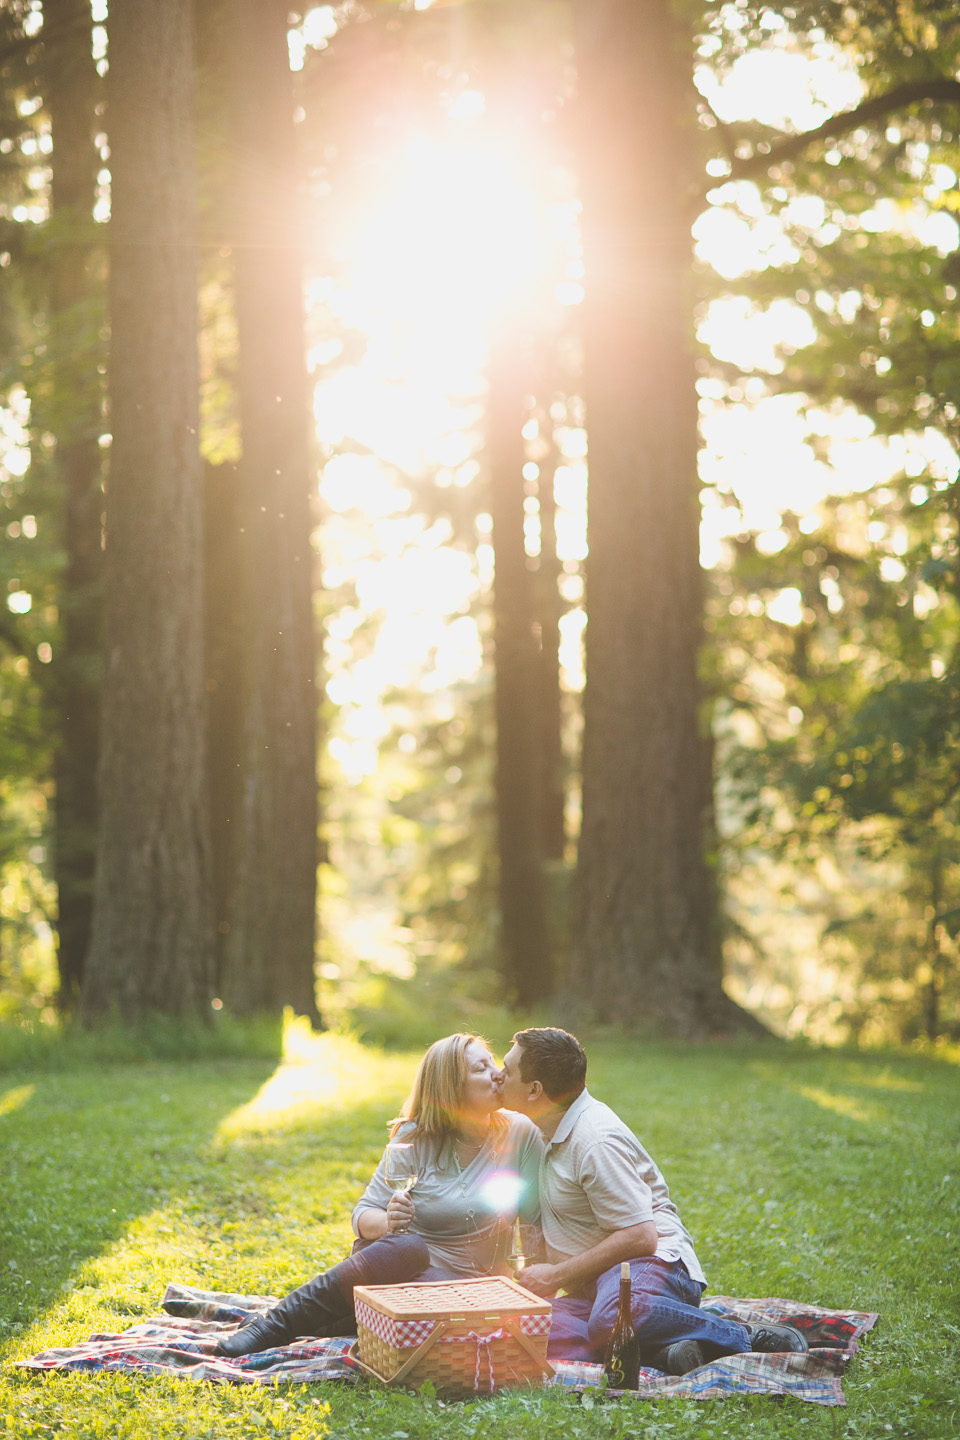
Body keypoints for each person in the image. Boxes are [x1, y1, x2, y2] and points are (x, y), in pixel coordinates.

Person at [496, 1027, 807, 1376]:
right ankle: (664, 1351)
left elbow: (641, 1237)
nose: (498, 1075)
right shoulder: (546, 1124)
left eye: (506, 1069)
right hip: (596, 1287)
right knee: (523, 1325)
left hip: (654, 1268)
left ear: (535, 1090)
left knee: (610, 1317)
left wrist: (556, 1274)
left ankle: (742, 1335)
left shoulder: (595, 1142)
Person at [218, 1032, 542, 1357]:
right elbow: (362, 1215)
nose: (498, 1074)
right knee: (407, 1247)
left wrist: (539, 1286)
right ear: (450, 1087)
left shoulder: (520, 1132)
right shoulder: (414, 1137)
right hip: (405, 1275)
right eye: (481, 1069)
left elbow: (534, 1222)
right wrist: (390, 1221)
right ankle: (275, 1325)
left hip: (475, 1293)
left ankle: (290, 1320)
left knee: (376, 1294)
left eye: (493, 1064)